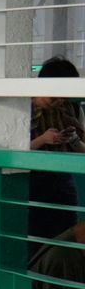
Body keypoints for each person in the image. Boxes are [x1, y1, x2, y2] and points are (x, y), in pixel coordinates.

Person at [30, 56, 85, 243]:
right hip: (31, 180)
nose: (59, 101)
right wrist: (42, 139)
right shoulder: (22, 109)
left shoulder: (73, 110)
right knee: (35, 235)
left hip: (63, 181)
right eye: (55, 96)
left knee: (65, 236)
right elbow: (11, 149)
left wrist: (74, 140)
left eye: (64, 96)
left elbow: (82, 150)